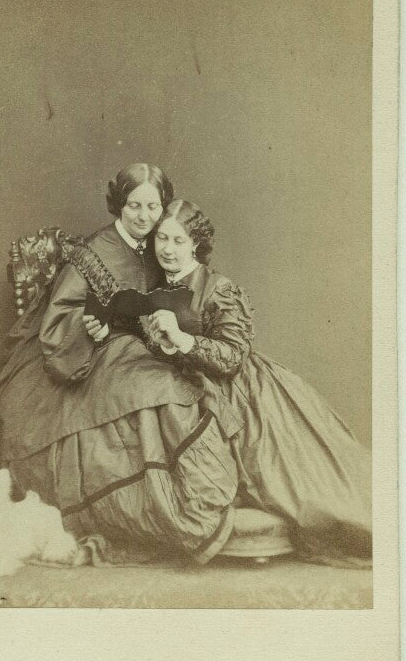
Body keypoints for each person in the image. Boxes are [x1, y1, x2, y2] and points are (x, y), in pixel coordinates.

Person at [0, 164, 244, 565]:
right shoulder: (94, 252)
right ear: (119, 204)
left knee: (181, 379)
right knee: (156, 386)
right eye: (134, 206)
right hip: (85, 351)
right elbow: (57, 325)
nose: (144, 217)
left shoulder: (159, 245)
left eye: (152, 207)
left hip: (147, 344)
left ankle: (196, 488)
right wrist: (92, 327)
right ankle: (164, 503)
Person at [146, 200, 372, 567]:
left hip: (242, 392)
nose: (167, 249)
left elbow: (233, 356)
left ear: (196, 245)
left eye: (177, 240)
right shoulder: (158, 287)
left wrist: (183, 340)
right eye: (161, 238)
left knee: (291, 481)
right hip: (189, 387)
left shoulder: (219, 288)